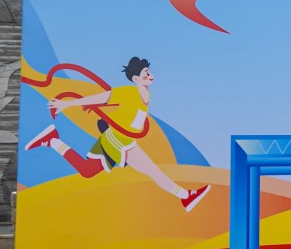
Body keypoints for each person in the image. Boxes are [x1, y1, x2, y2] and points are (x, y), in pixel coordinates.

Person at [23, 57, 210, 211]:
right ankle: (52, 140)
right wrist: (67, 104)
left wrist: (100, 108)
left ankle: (52, 140)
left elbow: (125, 110)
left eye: (149, 72)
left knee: (92, 171)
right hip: (116, 142)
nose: (150, 75)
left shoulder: (145, 95)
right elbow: (105, 97)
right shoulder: (130, 92)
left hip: (126, 141)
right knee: (143, 171)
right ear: (136, 78)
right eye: (145, 73)